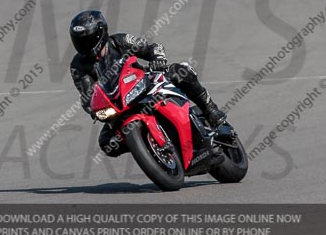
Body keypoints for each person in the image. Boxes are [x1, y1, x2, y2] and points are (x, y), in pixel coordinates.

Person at [69, 9, 227, 159]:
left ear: (100, 33)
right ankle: (146, 146)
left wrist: (158, 59)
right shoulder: (78, 65)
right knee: (107, 143)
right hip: (118, 105)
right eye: (79, 41)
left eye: (87, 40)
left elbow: (152, 48)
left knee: (180, 72)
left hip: (142, 84)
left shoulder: (119, 41)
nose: (83, 45)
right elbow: (87, 95)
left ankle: (210, 110)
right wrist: (94, 109)